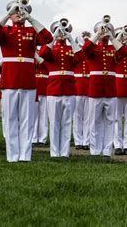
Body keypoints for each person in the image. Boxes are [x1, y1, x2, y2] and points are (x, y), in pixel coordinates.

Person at [0, 0, 52, 162]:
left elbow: (47, 37)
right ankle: (12, 155)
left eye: (21, 10)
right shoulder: (6, 30)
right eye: (16, 11)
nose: (18, 13)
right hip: (10, 80)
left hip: (28, 81)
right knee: (10, 119)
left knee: (27, 119)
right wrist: (8, 14)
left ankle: (25, 155)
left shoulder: (32, 31)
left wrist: (30, 18)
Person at [82, 21, 127, 158]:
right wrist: (97, 34)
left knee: (110, 121)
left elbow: (124, 52)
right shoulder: (93, 48)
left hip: (110, 90)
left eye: (107, 29)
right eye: (102, 29)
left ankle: (107, 150)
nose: (104, 31)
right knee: (94, 121)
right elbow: (85, 49)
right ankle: (95, 150)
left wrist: (112, 37)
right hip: (95, 90)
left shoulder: (113, 49)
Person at [39, 21, 84, 158]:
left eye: (64, 30)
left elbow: (81, 57)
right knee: (54, 123)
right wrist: (53, 38)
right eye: (59, 31)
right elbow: (42, 53)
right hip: (54, 90)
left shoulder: (71, 49)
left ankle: (64, 152)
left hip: (69, 90)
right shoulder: (51, 49)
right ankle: (54, 152)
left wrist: (70, 39)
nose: (62, 34)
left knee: (66, 122)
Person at [73, 32, 91, 150]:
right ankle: (78, 140)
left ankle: (87, 140)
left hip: (89, 86)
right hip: (77, 86)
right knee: (77, 116)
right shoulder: (75, 53)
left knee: (88, 116)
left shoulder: (90, 53)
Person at [33, 51, 49, 146]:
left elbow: (45, 65)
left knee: (44, 116)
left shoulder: (46, 58)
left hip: (45, 89)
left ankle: (42, 139)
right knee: (33, 116)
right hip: (34, 89)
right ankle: (33, 138)